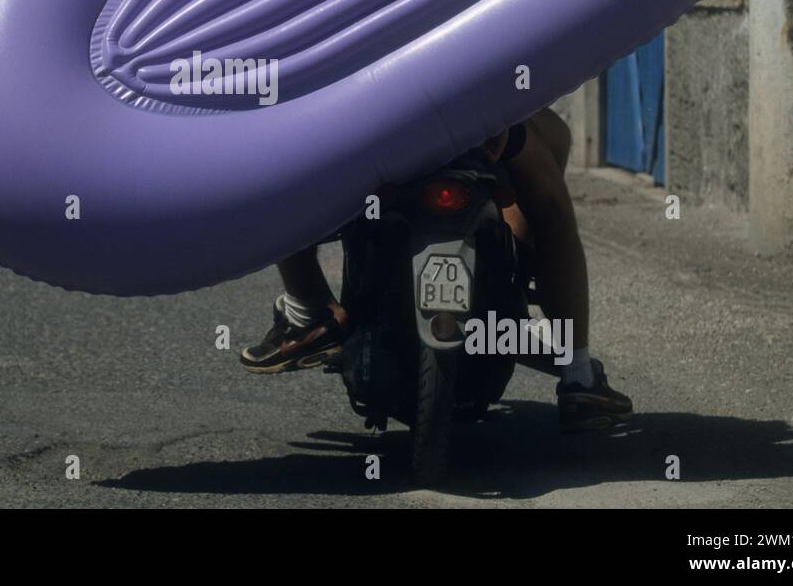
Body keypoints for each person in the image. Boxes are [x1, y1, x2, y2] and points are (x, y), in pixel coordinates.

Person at [239, 108, 633, 433]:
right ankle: (578, 374)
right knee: (550, 192)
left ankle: (308, 308)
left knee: (281, 155)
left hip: (372, 119)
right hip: (474, 120)